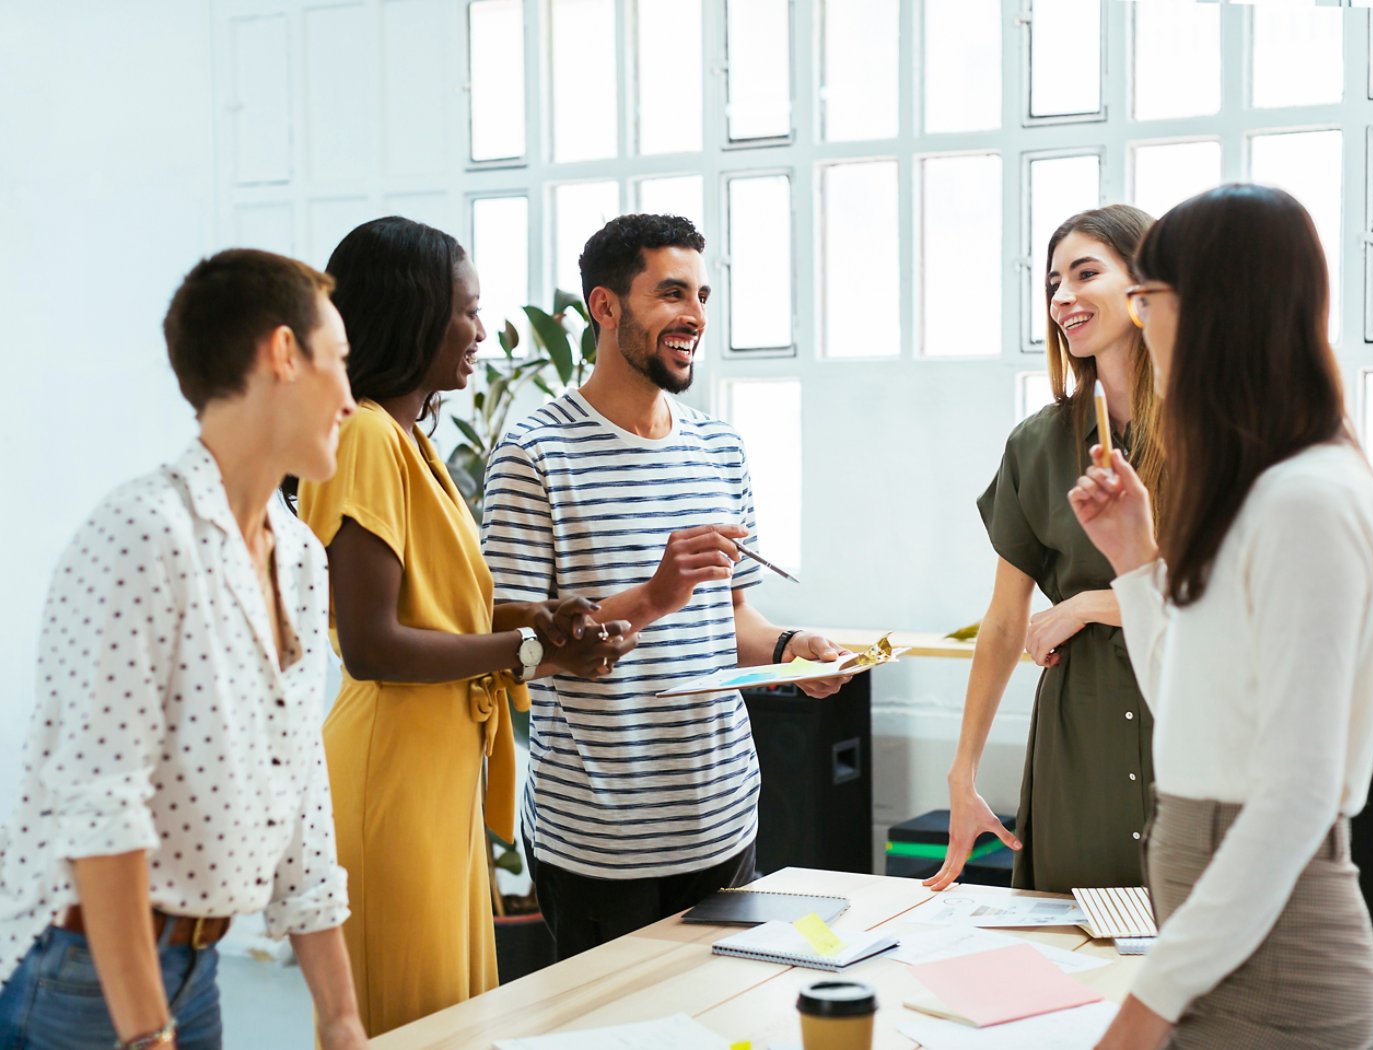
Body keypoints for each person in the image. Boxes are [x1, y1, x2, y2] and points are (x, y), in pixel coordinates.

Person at [0, 250, 367, 1049]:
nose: (348, 397)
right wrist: (145, 1036)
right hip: (82, 976)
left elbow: (302, 792)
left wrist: (340, 1018)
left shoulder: (300, 557)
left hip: (195, 973)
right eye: (337, 363)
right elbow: (103, 812)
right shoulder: (137, 537)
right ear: (282, 355)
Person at [1070, 184, 1373, 1050]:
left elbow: (1296, 795)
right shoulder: (1267, 489)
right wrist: (1137, 563)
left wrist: (1146, 1006)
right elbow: (1190, 716)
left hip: (1271, 967)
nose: (1138, 322)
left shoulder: (1308, 501)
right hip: (1224, 946)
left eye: (1146, 298)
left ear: (1213, 307)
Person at [295, 216, 632, 1037]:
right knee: (407, 1020)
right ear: (413, 314)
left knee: (451, 1017)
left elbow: (439, 606)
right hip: (392, 773)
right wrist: (528, 648)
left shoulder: (410, 439)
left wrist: (542, 619)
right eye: (468, 311)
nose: (483, 331)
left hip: (436, 766)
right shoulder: (369, 434)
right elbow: (374, 644)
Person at [480, 213, 849, 960]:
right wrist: (652, 596)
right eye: (672, 294)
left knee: (725, 1030)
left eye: (704, 296)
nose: (695, 317)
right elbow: (507, 650)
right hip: (598, 843)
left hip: (722, 822)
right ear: (605, 307)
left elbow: (732, 617)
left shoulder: (720, 447)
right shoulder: (533, 454)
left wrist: (791, 648)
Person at [926, 205, 1167, 894]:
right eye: (1052, 283)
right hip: (1076, 737)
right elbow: (1004, 621)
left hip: (1187, 715)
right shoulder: (1036, 446)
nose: (1062, 298)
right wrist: (963, 772)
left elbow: (1231, 589)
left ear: (1146, 284)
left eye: (1085, 273)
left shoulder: (1213, 427)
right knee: (1070, 957)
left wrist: (1096, 602)